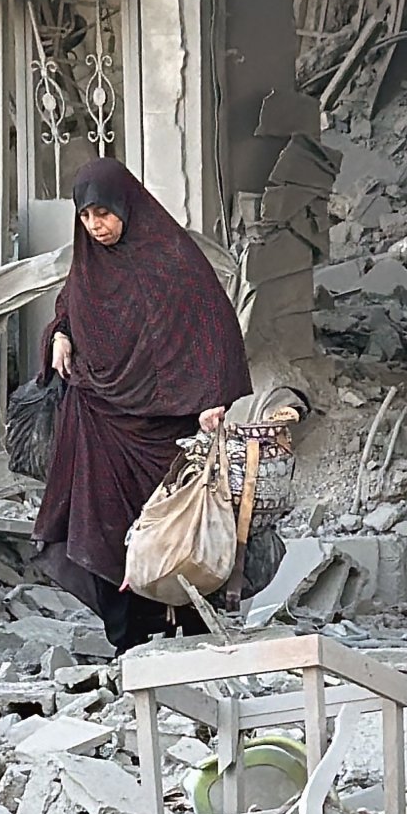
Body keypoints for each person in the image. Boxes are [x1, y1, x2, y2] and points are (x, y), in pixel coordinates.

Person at [33, 158, 253, 655]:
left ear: (126, 207)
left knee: (174, 530)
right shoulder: (89, 262)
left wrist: (210, 397)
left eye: (104, 215)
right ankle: (128, 641)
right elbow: (72, 304)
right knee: (101, 528)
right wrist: (60, 334)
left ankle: (189, 631)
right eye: (86, 217)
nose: (97, 227)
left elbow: (209, 323)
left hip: (167, 428)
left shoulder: (170, 257)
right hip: (99, 420)